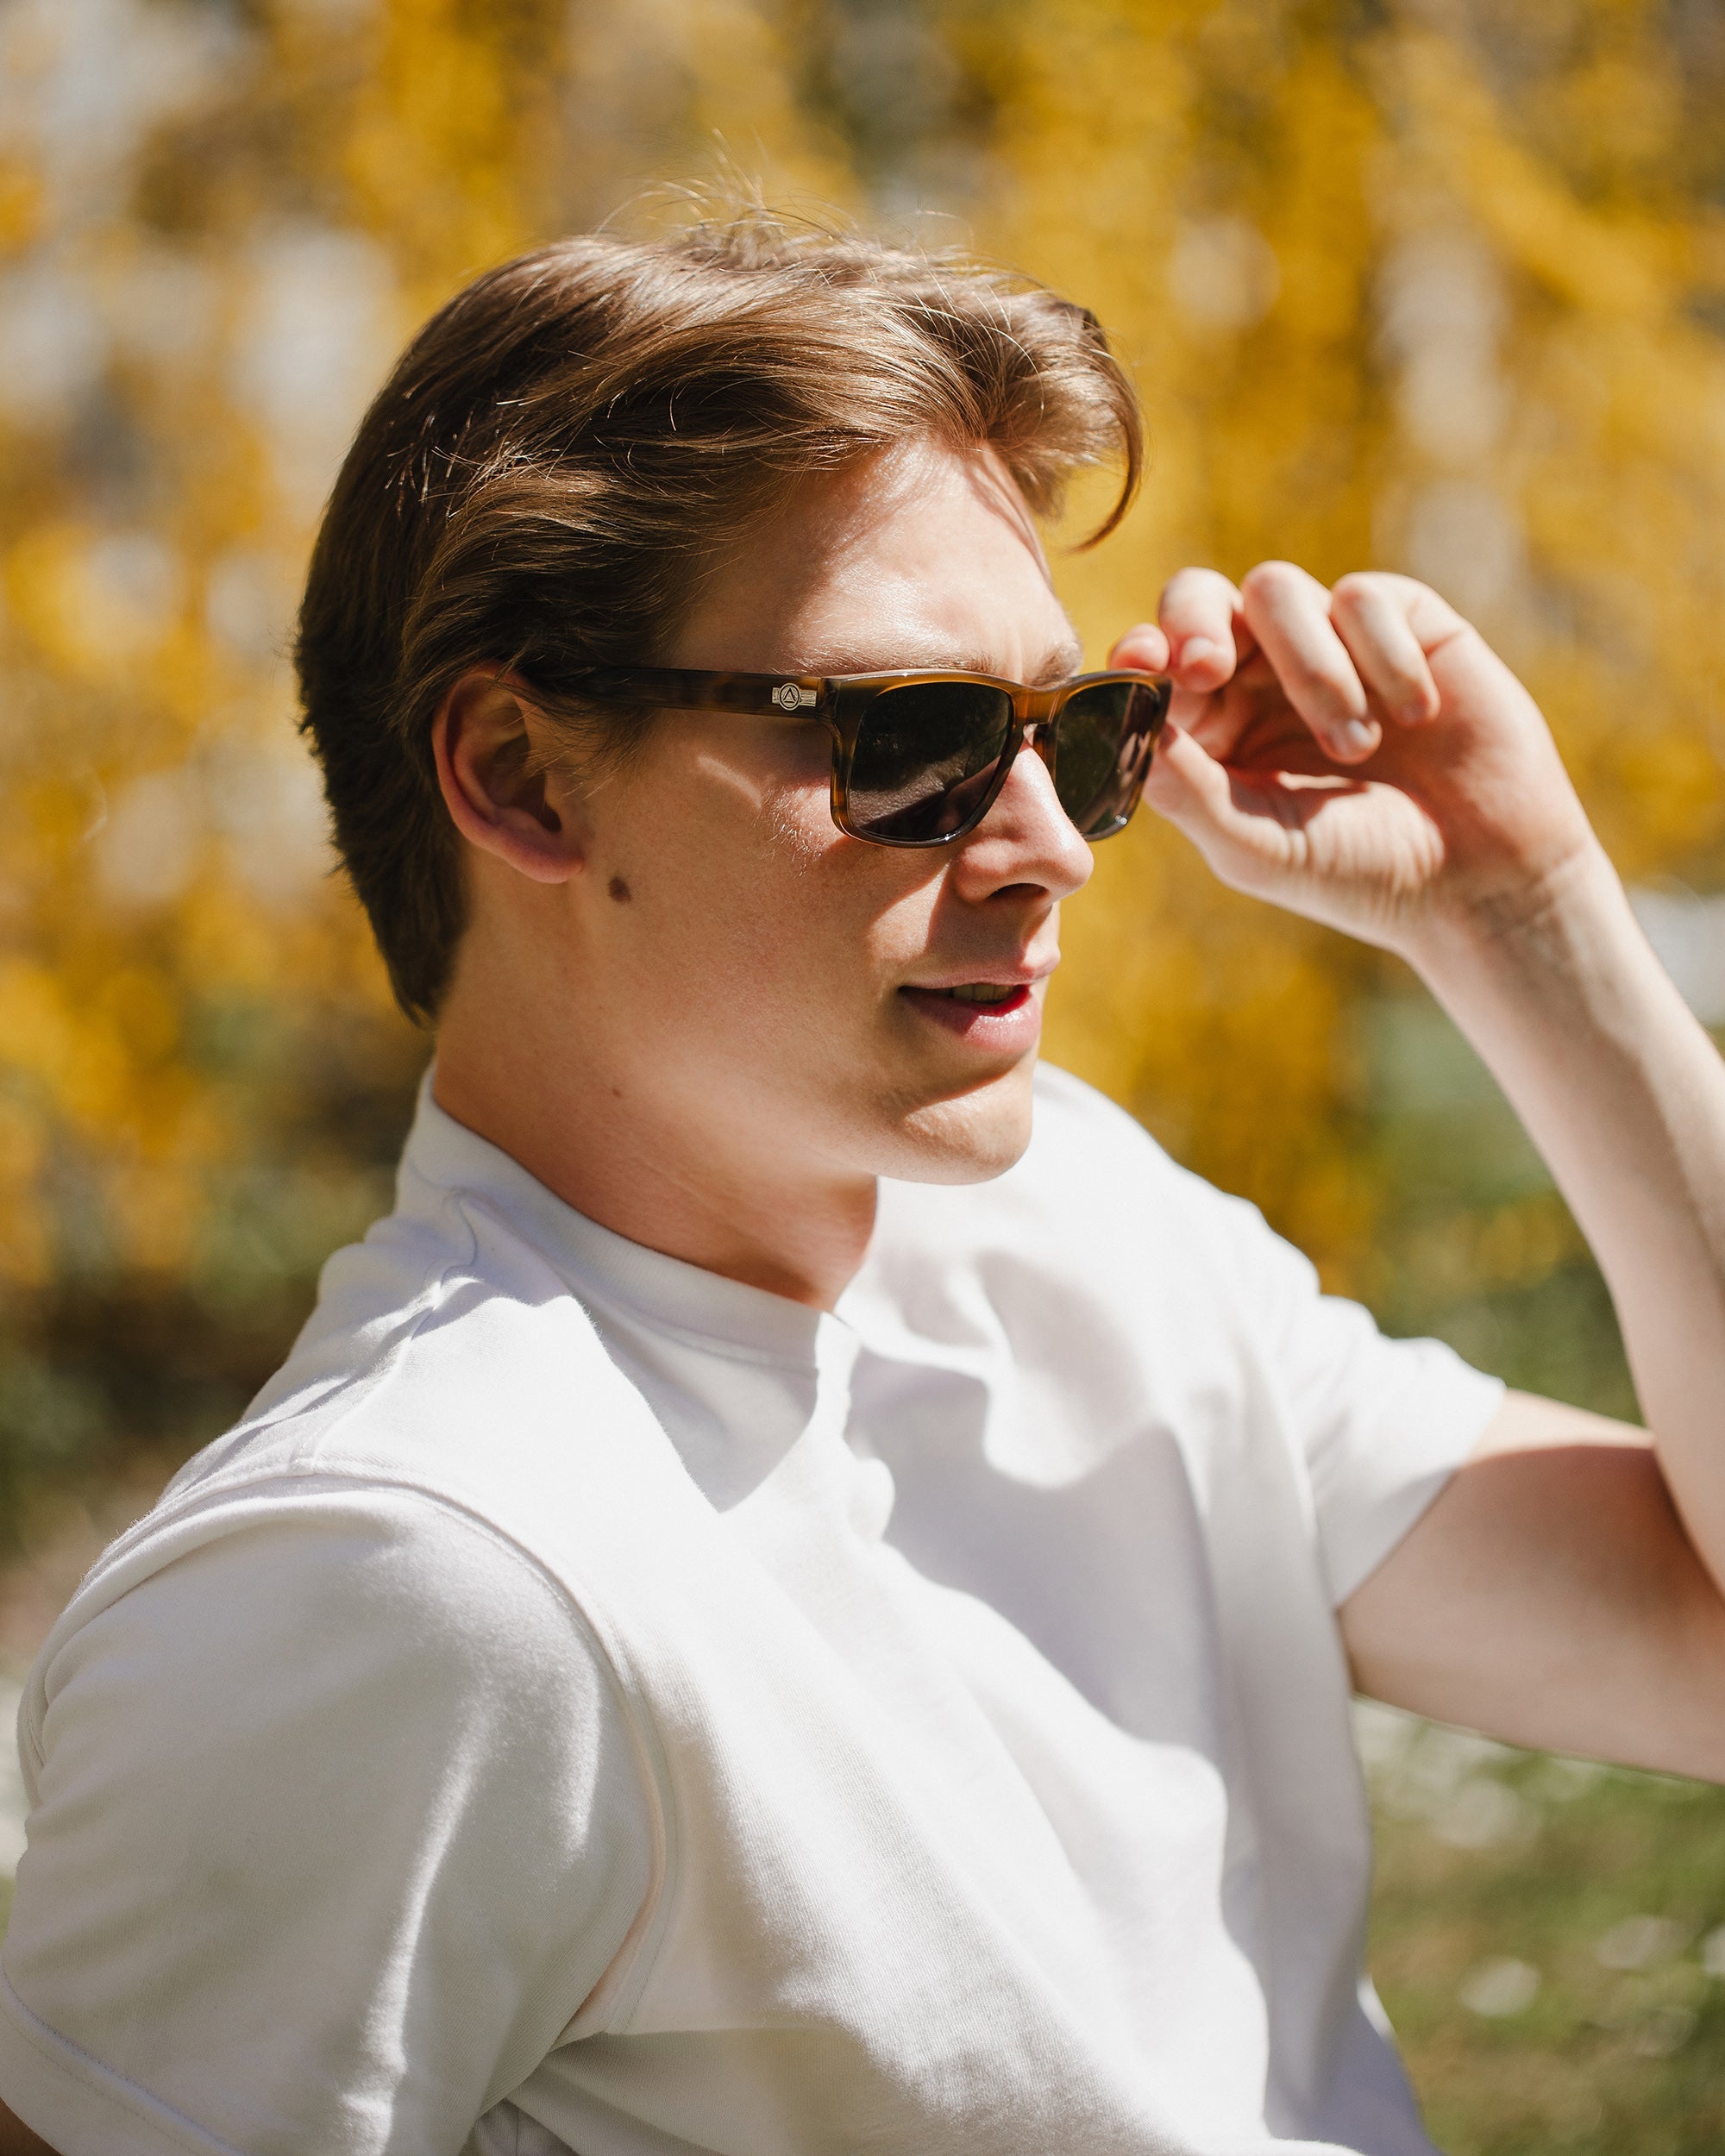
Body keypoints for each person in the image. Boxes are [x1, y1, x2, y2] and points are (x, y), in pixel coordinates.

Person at [1, 208, 1722, 2156]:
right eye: (911, 736)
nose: (1047, 846)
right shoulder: (408, 1574)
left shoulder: (1081, 1230)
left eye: (1079, 733)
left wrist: (1523, 913)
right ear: (523, 775)